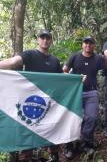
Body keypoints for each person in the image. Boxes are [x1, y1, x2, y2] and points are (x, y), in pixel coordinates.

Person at [0, 29, 62, 162]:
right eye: (42, 37)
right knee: (27, 130)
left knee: (52, 128)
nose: (45, 40)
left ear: (51, 41)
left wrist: (78, 79)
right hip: (29, 101)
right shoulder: (30, 54)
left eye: (47, 38)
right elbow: (13, 62)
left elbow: (62, 80)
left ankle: (54, 155)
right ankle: (25, 157)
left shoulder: (55, 61)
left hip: (49, 103)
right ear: (38, 40)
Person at [63, 36, 106, 157]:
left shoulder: (98, 58)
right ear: (82, 45)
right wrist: (75, 79)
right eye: (86, 43)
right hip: (75, 93)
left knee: (91, 118)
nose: (88, 45)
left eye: (90, 43)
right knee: (71, 118)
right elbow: (64, 71)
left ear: (94, 45)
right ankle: (69, 146)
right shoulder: (75, 57)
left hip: (92, 93)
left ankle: (86, 144)